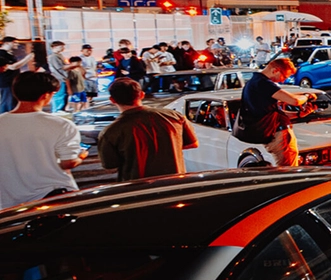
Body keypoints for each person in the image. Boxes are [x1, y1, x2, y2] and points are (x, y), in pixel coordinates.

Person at [0, 71, 85, 207]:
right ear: (45, 95)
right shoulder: (61, 125)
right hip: (54, 197)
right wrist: (81, 155)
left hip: (10, 201)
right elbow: (67, 163)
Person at [97, 77, 198, 181]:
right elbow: (192, 143)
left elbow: (110, 165)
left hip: (137, 187)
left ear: (112, 100)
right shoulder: (174, 116)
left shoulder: (110, 132)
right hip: (174, 181)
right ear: (141, 95)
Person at [239, 57, 318, 166]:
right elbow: (294, 101)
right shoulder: (263, 83)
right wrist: (307, 96)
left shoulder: (253, 83)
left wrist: (299, 114)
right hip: (278, 135)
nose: (282, 80)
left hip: (272, 133)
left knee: (287, 166)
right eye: (284, 76)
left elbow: (270, 113)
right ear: (275, 70)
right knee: (288, 169)